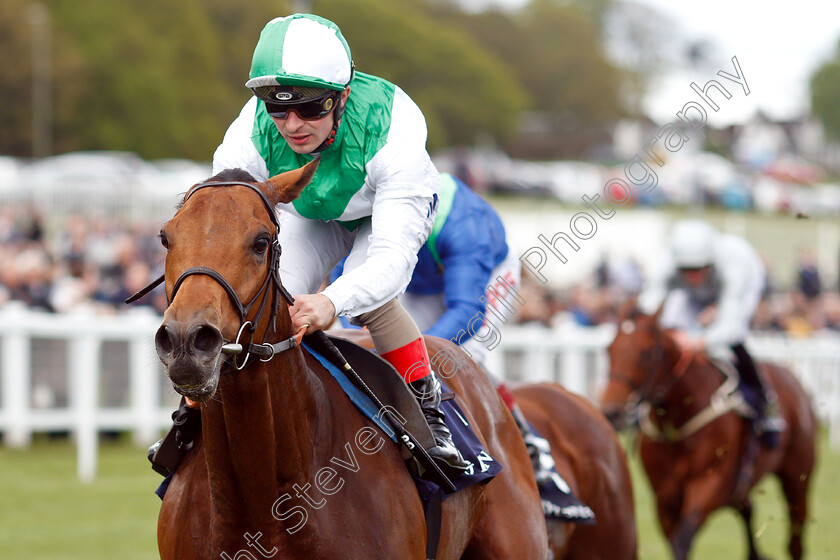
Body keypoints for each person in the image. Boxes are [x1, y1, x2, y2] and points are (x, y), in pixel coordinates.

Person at [209, 13, 466, 474]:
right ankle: (200, 411)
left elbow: (389, 263)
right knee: (266, 296)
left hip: (385, 207)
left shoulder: (395, 133)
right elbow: (220, 215)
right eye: (278, 107)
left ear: (342, 96)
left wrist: (333, 300)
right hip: (314, 211)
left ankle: (430, 415)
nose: (292, 124)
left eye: (310, 109)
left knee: (370, 300)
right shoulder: (247, 133)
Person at [333, 172, 558, 486]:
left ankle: (528, 442)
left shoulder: (464, 224)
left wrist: (414, 353)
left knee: (456, 360)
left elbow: (468, 310)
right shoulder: (364, 208)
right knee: (383, 352)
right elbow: (346, 286)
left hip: (485, 276)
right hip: (420, 278)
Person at [639, 219, 785, 447]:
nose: (692, 276)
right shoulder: (665, 264)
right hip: (702, 292)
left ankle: (766, 406)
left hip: (738, 289)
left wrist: (699, 341)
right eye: (686, 270)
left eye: (698, 269)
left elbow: (730, 326)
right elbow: (648, 312)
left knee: (733, 340)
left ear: (711, 260)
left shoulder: (736, 263)